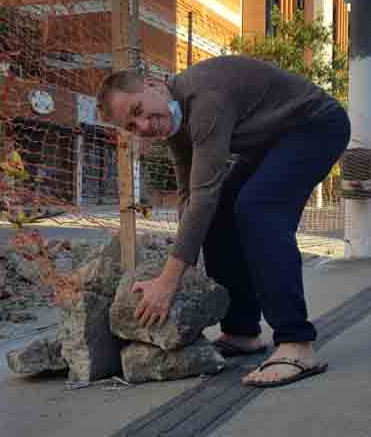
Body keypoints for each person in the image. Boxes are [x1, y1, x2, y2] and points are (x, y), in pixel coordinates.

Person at [96, 55, 351, 388]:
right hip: (271, 142)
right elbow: (190, 197)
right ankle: (241, 331)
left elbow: (203, 194)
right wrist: (182, 264)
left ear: (154, 85)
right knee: (219, 212)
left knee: (259, 207)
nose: (143, 126)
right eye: (131, 126)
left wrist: (168, 281)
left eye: (138, 110)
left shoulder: (205, 100)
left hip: (315, 125)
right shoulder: (175, 123)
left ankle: (297, 343)